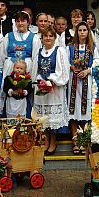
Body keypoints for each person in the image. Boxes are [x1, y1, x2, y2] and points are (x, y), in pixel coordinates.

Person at [32, 27, 69, 155]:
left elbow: (63, 71)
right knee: (43, 118)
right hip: (42, 89)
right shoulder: (39, 52)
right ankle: (46, 141)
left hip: (55, 89)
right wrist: (39, 82)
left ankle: (53, 142)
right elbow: (35, 70)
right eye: (45, 36)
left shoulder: (60, 51)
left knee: (53, 118)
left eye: (50, 36)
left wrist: (52, 81)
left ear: (55, 38)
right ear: (42, 38)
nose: (48, 38)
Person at [67, 22, 96, 155]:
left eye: (85, 30)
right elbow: (65, 62)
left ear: (88, 32)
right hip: (73, 81)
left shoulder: (93, 47)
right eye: (80, 30)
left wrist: (88, 71)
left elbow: (97, 64)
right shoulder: (71, 47)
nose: (82, 32)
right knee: (73, 111)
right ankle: (75, 141)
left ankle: (84, 140)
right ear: (76, 32)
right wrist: (72, 67)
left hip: (87, 81)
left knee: (85, 112)